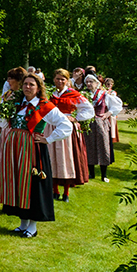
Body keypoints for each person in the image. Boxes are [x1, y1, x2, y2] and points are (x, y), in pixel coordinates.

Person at [0, 73, 72, 238]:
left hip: (32, 149)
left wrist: (48, 139)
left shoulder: (44, 106)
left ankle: (32, 226)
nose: (27, 87)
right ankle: (23, 223)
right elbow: (2, 120)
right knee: (18, 183)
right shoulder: (17, 104)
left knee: (32, 184)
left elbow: (66, 125)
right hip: (14, 147)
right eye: (25, 84)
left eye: (31, 85)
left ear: (38, 87)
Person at [48, 69, 95, 201]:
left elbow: (89, 109)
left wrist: (75, 118)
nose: (60, 81)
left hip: (67, 128)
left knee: (67, 158)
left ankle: (66, 192)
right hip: (52, 127)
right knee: (53, 157)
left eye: (63, 79)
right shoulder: (49, 94)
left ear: (67, 80)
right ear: (54, 79)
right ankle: (55, 190)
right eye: (57, 79)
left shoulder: (72, 94)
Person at [85, 76, 122, 181]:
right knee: (89, 147)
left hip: (101, 123)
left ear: (97, 83)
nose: (88, 84)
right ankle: (91, 173)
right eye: (87, 82)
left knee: (103, 146)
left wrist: (108, 113)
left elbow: (118, 104)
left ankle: (104, 175)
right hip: (88, 123)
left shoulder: (104, 94)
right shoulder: (85, 95)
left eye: (91, 82)